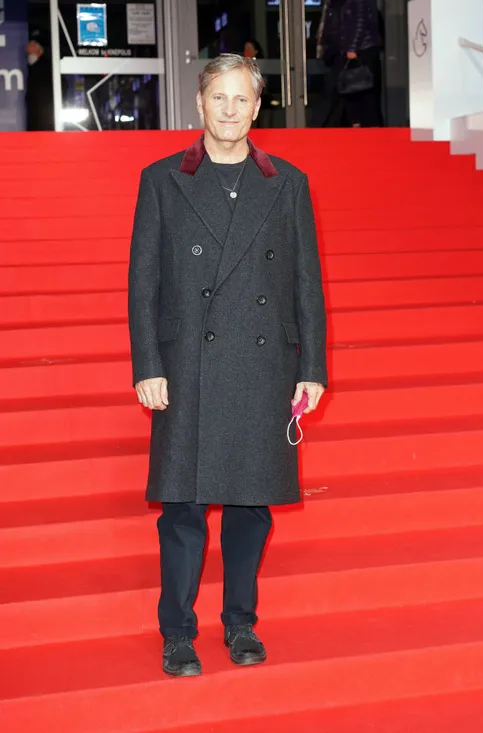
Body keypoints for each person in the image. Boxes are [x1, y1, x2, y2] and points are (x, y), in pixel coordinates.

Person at [128, 54, 328, 678]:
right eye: (219, 98)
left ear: (258, 107)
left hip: (263, 368)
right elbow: (143, 283)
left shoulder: (287, 183)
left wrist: (312, 368)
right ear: (199, 103)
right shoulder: (162, 179)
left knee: (251, 507)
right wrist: (148, 364)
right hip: (188, 364)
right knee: (183, 511)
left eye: (242, 100)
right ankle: (177, 633)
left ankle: (240, 623)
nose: (230, 111)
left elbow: (306, 283)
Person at [311, 0, 382, 128]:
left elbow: (358, 24)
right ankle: (356, 124)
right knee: (351, 92)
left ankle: (319, 126)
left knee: (360, 91)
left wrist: (351, 48)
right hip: (342, 51)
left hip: (354, 51)